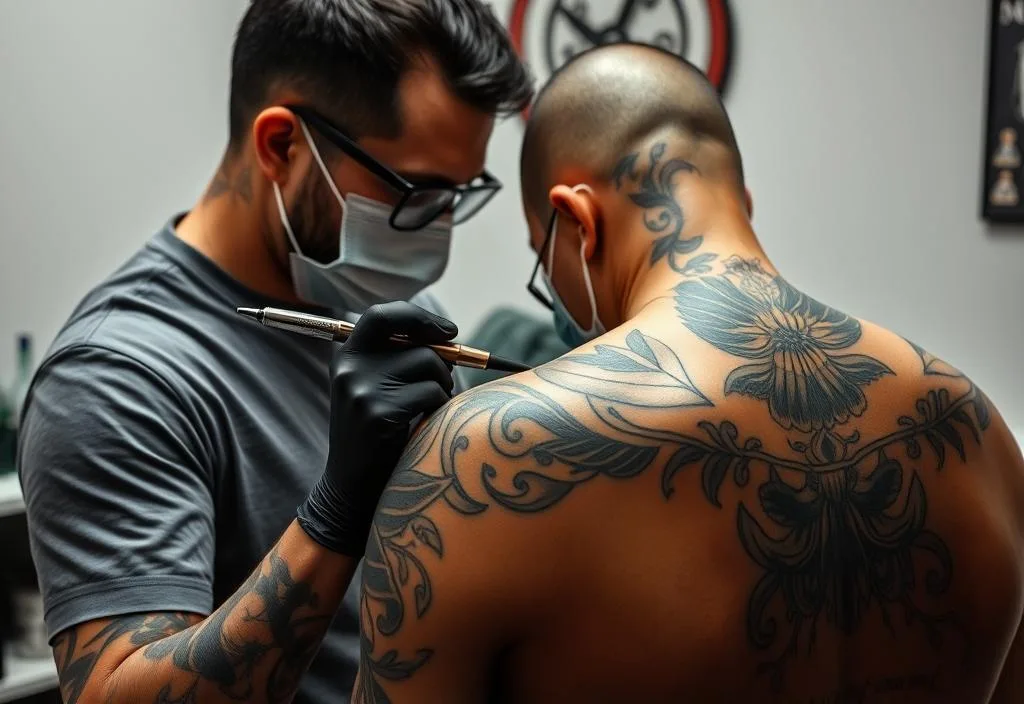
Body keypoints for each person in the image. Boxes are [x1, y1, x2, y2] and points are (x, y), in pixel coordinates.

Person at [352, 43, 1024, 703]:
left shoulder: (475, 459)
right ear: (743, 202)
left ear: (576, 220)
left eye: (542, 259)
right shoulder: (979, 433)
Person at [16, 2, 532, 703]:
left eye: (458, 195)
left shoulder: (381, 309)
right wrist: (335, 511)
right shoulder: (118, 378)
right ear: (283, 146)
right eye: (417, 193)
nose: (437, 229)